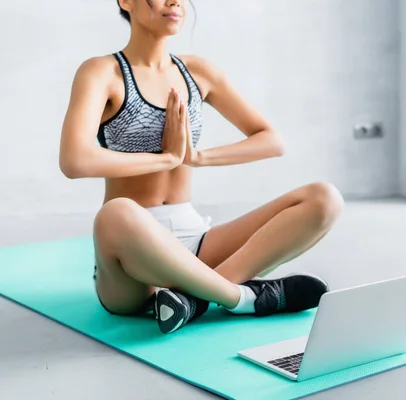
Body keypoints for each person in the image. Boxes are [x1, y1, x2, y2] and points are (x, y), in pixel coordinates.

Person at [58, 0, 344, 334]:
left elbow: (271, 140)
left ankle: (194, 300)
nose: (176, 2)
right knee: (116, 213)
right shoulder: (102, 72)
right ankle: (241, 297)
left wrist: (198, 157)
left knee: (324, 199)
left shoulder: (197, 72)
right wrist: (165, 159)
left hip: (196, 240)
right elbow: (74, 159)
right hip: (131, 259)